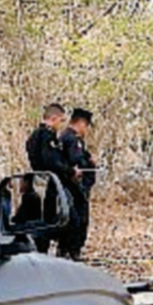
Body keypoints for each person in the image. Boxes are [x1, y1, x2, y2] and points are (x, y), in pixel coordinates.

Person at [25, 103, 72, 253]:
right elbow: (51, 161)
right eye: (61, 120)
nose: (61, 125)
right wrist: (69, 170)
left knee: (39, 217)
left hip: (38, 180)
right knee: (47, 218)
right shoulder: (46, 136)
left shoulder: (34, 135)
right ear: (54, 118)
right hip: (46, 182)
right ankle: (43, 250)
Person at [58, 107, 96, 260]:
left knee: (76, 219)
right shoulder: (71, 139)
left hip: (76, 187)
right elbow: (76, 160)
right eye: (86, 126)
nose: (86, 130)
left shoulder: (69, 138)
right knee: (77, 220)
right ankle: (72, 251)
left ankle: (69, 249)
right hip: (74, 187)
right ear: (80, 123)